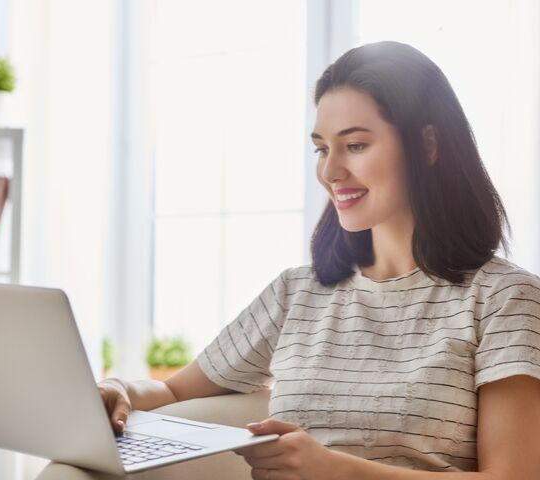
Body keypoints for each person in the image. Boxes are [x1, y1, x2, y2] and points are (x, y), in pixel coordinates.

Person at [99, 41, 540, 479]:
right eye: (322, 149)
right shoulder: (297, 291)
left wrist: (336, 470)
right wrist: (117, 389)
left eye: (356, 146)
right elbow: (174, 389)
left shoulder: (504, 299)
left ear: (427, 146)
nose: (330, 172)